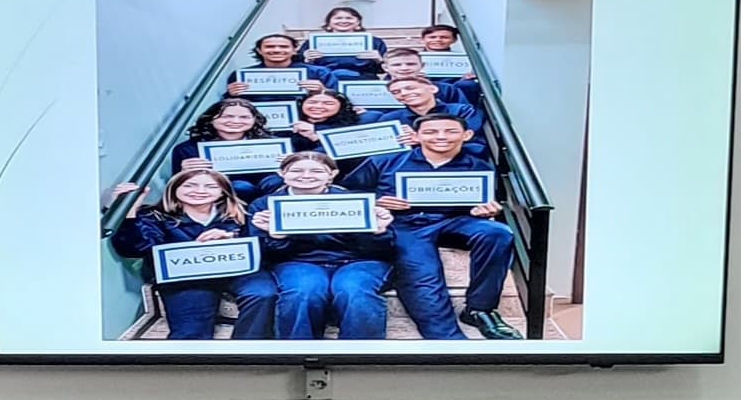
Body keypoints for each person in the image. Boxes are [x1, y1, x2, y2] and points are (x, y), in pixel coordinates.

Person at [367, 110, 518, 341]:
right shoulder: (385, 161)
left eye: (450, 131)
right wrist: (376, 201)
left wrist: (487, 211)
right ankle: (448, 339)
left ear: (466, 135)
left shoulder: (479, 167)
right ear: (416, 136)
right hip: (407, 226)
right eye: (430, 131)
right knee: (424, 275)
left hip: (456, 221)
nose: (441, 136)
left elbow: (487, 202)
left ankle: (480, 309)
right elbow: (348, 192)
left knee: (498, 232)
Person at [246, 151, 396, 341]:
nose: (306, 176)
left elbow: (383, 250)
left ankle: (360, 358)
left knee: (354, 290)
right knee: (303, 291)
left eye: (316, 171)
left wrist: (378, 232)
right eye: (296, 170)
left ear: (332, 174)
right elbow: (263, 256)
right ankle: (298, 354)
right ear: (282, 173)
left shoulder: (358, 201)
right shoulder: (263, 206)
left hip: (358, 261)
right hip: (298, 262)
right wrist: (278, 237)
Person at [105, 162, 264, 342]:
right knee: (190, 333)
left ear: (223, 192)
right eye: (189, 185)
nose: (199, 191)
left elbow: (262, 251)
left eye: (211, 186)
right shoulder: (154, 217)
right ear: (174, 189)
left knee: (263, 293)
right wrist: (130, 214)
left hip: (235, 273)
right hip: (185, 281)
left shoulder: (240, 217)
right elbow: (133, 249)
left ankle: (246, 350)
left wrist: (232, 237)